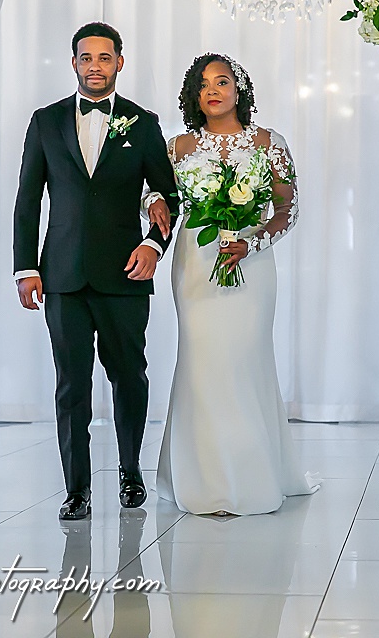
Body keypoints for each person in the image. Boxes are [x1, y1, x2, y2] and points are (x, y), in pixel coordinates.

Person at [13, 22, 179, 521]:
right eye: (86, 58)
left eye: (104, 58)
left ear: (119, 63)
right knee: (71, 385)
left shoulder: (142, 123)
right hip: (61, 276)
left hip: (126, 275)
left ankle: (131, 473)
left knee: (130, 378)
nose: (95, 66)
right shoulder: (45, 122)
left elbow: (167, 196)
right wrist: (25, 268)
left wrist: (153, 245)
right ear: (74, 63)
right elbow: (27, 201)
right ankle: (76, 489)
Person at [155, 54, 317, 516]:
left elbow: (287, 210)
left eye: (222, 82)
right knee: (202, 360)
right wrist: (153, 202)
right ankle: (204, 478)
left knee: (244, 359)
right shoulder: (177, 147)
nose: (213, 91)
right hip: (197, 262)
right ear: (193, 96)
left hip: (252, 263)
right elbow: (156, 192)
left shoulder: (269, 143)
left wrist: (253, 242)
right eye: (203, 84)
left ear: (238, 89)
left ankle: (250, 474)